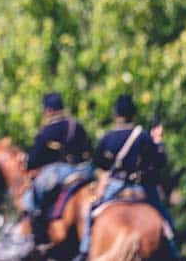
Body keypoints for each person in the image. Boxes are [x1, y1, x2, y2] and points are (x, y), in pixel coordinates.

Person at [76, 94, 177, 260]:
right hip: (141, 189)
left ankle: (84, 250)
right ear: (133, 114)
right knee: (166, 223)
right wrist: (158, 142)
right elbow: (159, 161)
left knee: (90, 213)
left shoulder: (107, 138)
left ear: (115, 114)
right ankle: (174, 254)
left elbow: (99, 164)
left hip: (115, 188)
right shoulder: (143, 136)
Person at [21, 92, 93, 245]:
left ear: (48, 110)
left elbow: (34, 159)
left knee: (30, 198)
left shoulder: (47, 130)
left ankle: (38, 234)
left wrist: (27, 164)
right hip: (84, 171)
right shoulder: (76, 125)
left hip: (59, 173)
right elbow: (88, 149)